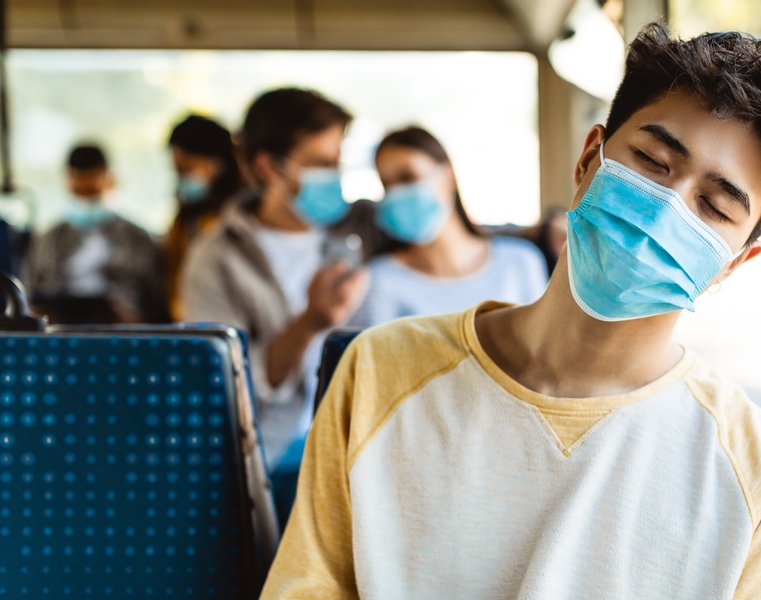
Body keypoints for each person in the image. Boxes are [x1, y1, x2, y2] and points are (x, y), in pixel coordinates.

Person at [242, 23, 761, 600]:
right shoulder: (380, 371)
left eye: (714, 206)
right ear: (587, 161)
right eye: (653, 164)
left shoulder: (756, 463)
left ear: (733, 265)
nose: (665, 209)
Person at [181, 88, 393, 525]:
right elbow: (220, 382)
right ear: (268, 167)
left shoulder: (366, 227)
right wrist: (310, 323)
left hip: (367, 447)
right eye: (320, 163)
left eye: (338, 160)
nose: (335, 175)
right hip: (271, 460)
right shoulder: (218, 257)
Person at [348, 126, 547, 328]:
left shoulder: (521, 262)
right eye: (387, 185)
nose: (396, 194)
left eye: (408, 177)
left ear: (448, 176)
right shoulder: (377, 281)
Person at [24, 143, 165, 324]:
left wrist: (133, 319)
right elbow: (28, 296)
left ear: (111, 182)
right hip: (57, 331)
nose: (85, 202)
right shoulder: (48, 240)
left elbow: (156, 303)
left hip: (122, 333)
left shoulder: (138, 238)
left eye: (92, 193)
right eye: (78, 193)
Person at [164, 114, 244, 321]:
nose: (182, 179)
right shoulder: (186, 216)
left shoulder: (239, 218)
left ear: (217, 163)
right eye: (177, 172)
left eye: (187, 170)